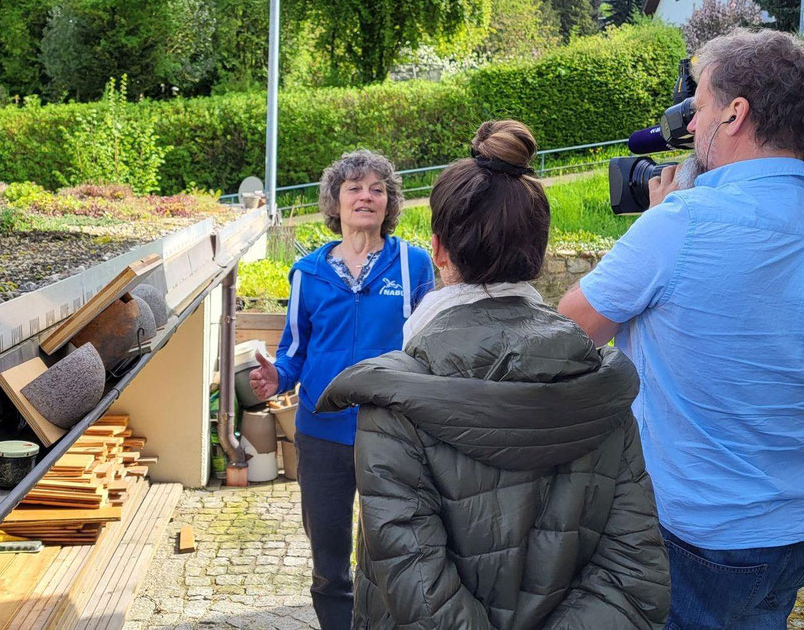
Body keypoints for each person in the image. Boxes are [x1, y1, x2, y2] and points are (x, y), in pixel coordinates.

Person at [559, 29, 804, 629]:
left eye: (698, 106)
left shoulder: (681, 224)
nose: (689, 125)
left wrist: (654, 223)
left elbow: (567, 335)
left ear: (734, 113)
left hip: (694, 534)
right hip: (796, 529)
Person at [317, 120, 671, 629]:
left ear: (438, 251)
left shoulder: (395, 398)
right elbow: (633, 576)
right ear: (540, 255)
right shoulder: (603, 385)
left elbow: (415, 587)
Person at [248, 150, 434, 630]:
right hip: (322, 433)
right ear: (336, 200)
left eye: (377, 188)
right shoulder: (307, 272)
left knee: (396, 549)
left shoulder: (414, 266)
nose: (366, 197)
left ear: (390, 202)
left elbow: (431, 344)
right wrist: (278, 377)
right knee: (329, 558)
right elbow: (294, 351)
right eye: (354, 188)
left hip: (392, 432)